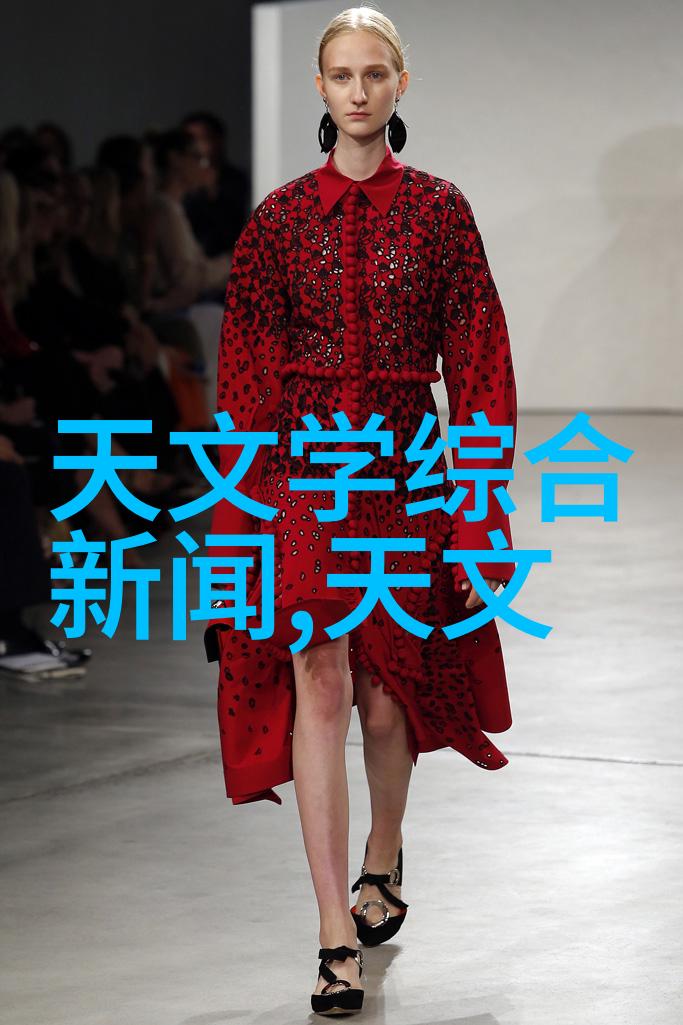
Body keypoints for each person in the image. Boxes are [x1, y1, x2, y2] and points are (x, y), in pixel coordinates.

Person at [203, 6, 518, 1016]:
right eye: (340, 74)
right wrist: (235, 523)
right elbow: (242, 377)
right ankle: (332, 931)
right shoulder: (277, 221)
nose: (356, 90)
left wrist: (477, 505)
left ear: (399, 84)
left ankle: (383, 850)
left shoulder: (439, 211)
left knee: (387, 698)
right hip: (305, 470)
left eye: (374, 73)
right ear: (319, 86)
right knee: (319, 678)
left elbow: (479, 361)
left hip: (405, 466)